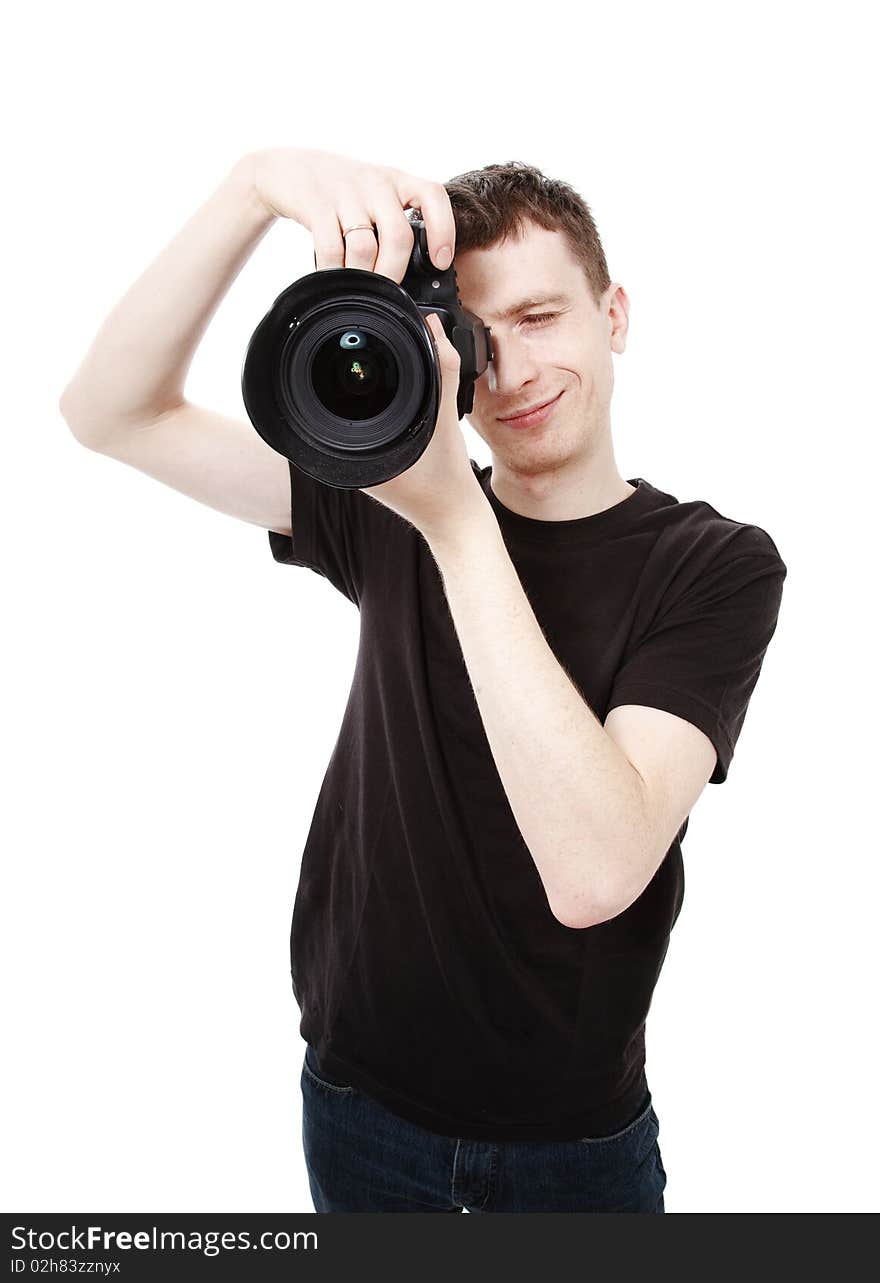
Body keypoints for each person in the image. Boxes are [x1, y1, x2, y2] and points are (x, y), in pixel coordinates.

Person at [59, 147, 787, 1213]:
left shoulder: (713, 563)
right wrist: (253, 186)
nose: (516, 373)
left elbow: (594, 869)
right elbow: (108, 412)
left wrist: (456, 517)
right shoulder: (392, 497)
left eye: (543, 317)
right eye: (476, 340)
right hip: (358, 1104)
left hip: (570, 1147)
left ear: (613, 312)